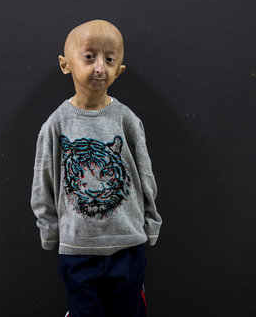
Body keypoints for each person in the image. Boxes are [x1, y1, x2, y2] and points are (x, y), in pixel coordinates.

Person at [31, 19, 162, 316]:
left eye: (110, 59)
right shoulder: (55, 125)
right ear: (65, 64)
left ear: (120, 70)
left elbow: (145, 175)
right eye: (89, 57)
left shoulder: (126, 120)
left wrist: (151, 223)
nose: (100, 67)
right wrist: (49, 231)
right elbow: (43, 183)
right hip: (77, 247)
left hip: (127, 244)